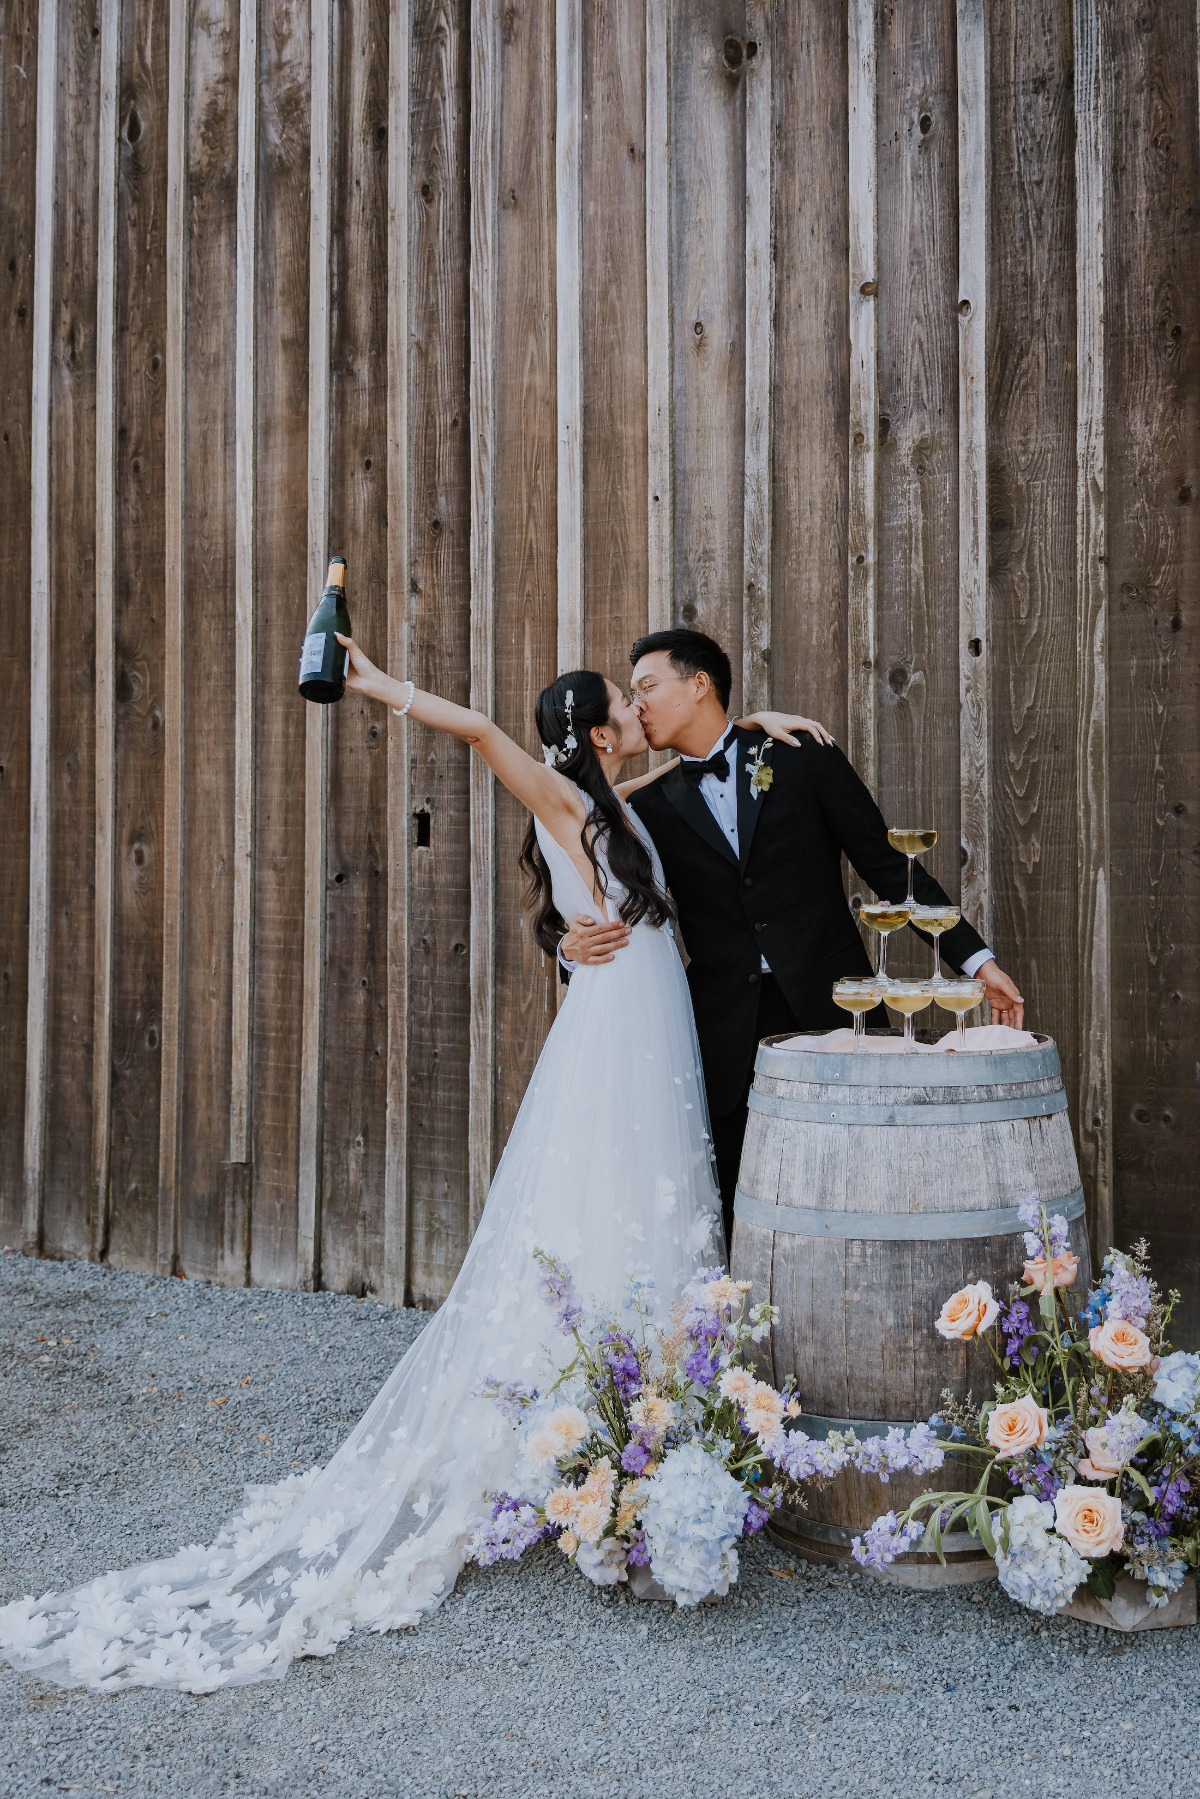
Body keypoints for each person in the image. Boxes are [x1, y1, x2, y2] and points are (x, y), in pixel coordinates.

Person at [0, 642, 815, 1694]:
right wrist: (388, 689)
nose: (638, 710)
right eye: (624, 703)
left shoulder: (607, 796)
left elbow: (664, 779)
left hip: (647, 1021)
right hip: (617, 1033)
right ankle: (587, 1435)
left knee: (644, 1198)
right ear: (598, 729)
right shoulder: (562, 795)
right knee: (600, 1202)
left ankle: (638, 1416)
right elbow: (484, 737)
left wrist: (755, 728)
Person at [559, 628, 1024, 1246]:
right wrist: (570, 951)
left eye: (648, 686)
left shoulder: (801, 755)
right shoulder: (647, 809)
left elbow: (887, 867)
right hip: (721, 1027)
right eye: (632, 693)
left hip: (835, 1007)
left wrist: (975, 959)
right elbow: (590, 888)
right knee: (733, 1202)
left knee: (862, 1181)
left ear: (699, 685)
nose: (637, 703)